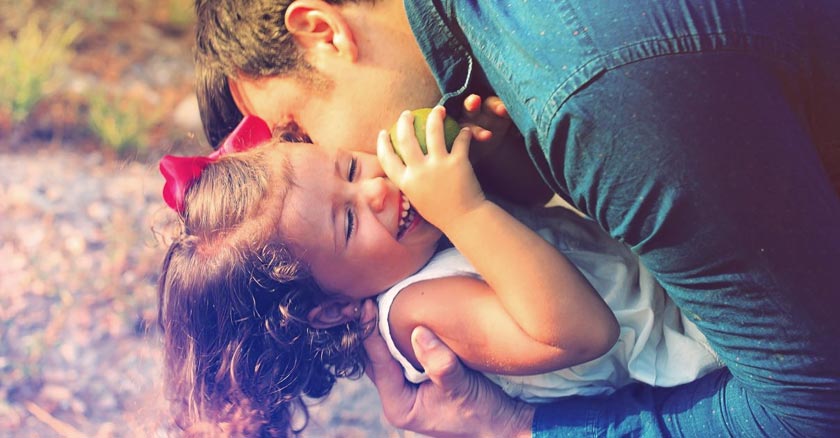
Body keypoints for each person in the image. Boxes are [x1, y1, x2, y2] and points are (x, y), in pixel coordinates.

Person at [192, 0, 840, 435]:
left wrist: (511, 428)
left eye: (297, 131)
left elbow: (812, 405)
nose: (365, 177)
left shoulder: (591, 96)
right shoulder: (418, 303)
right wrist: (507, 162)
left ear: (323, 32)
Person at [157, 109, 720, 435]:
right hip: (696, 347)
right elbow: (584, 332)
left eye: (349, 168)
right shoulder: (417, 311)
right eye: (348, 222)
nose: (376, 189)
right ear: (328, 308)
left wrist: (486, 153)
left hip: (682, 280)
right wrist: (465, 208)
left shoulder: (420, 243)